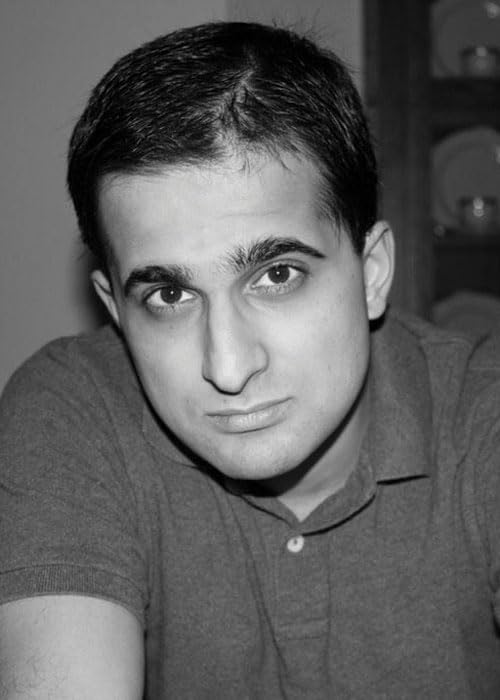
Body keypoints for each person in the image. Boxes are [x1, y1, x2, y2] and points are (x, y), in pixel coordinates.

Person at [0, 21, 499, 699]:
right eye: (170, 295)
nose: (229, 369)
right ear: (114, 310)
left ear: (372, 272)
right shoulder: (70, 412)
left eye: (277, 275)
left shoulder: (483, 412)